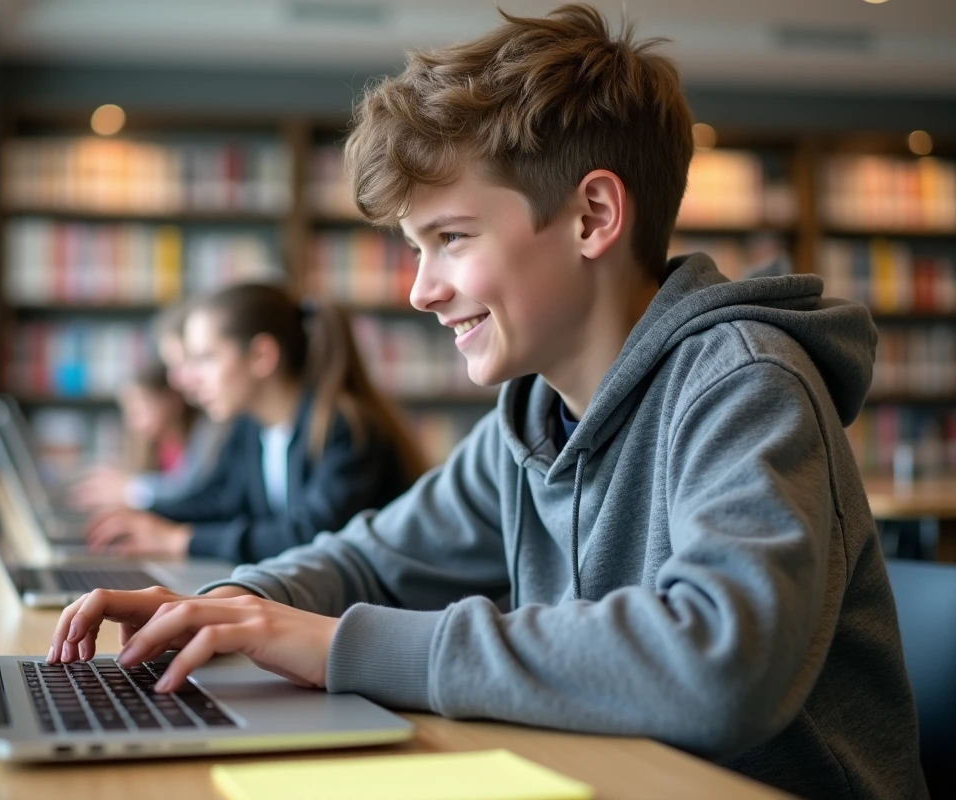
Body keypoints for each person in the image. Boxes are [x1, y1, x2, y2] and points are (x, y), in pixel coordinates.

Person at [48, 6, 925, 797]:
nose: (422, 291)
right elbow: (372, 560)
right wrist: (226, 606)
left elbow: (718, 666)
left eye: (452, 239)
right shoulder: (531, 421)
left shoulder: (744, 384)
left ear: (592, 217)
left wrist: (336, 646)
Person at [81, 281, 427, 564]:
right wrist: (143, 515)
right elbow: (221, 502)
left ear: (262, 356)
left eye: (205, 359)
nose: (187, 380)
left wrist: (179, 540)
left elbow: (312, 537)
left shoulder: (345, 427)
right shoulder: (252, 427)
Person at [71, 302, 228, 511]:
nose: (180, 380)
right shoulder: (155, 446)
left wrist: (131, 491)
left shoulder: (214, 429)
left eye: (201, 360)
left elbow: (197, 494)